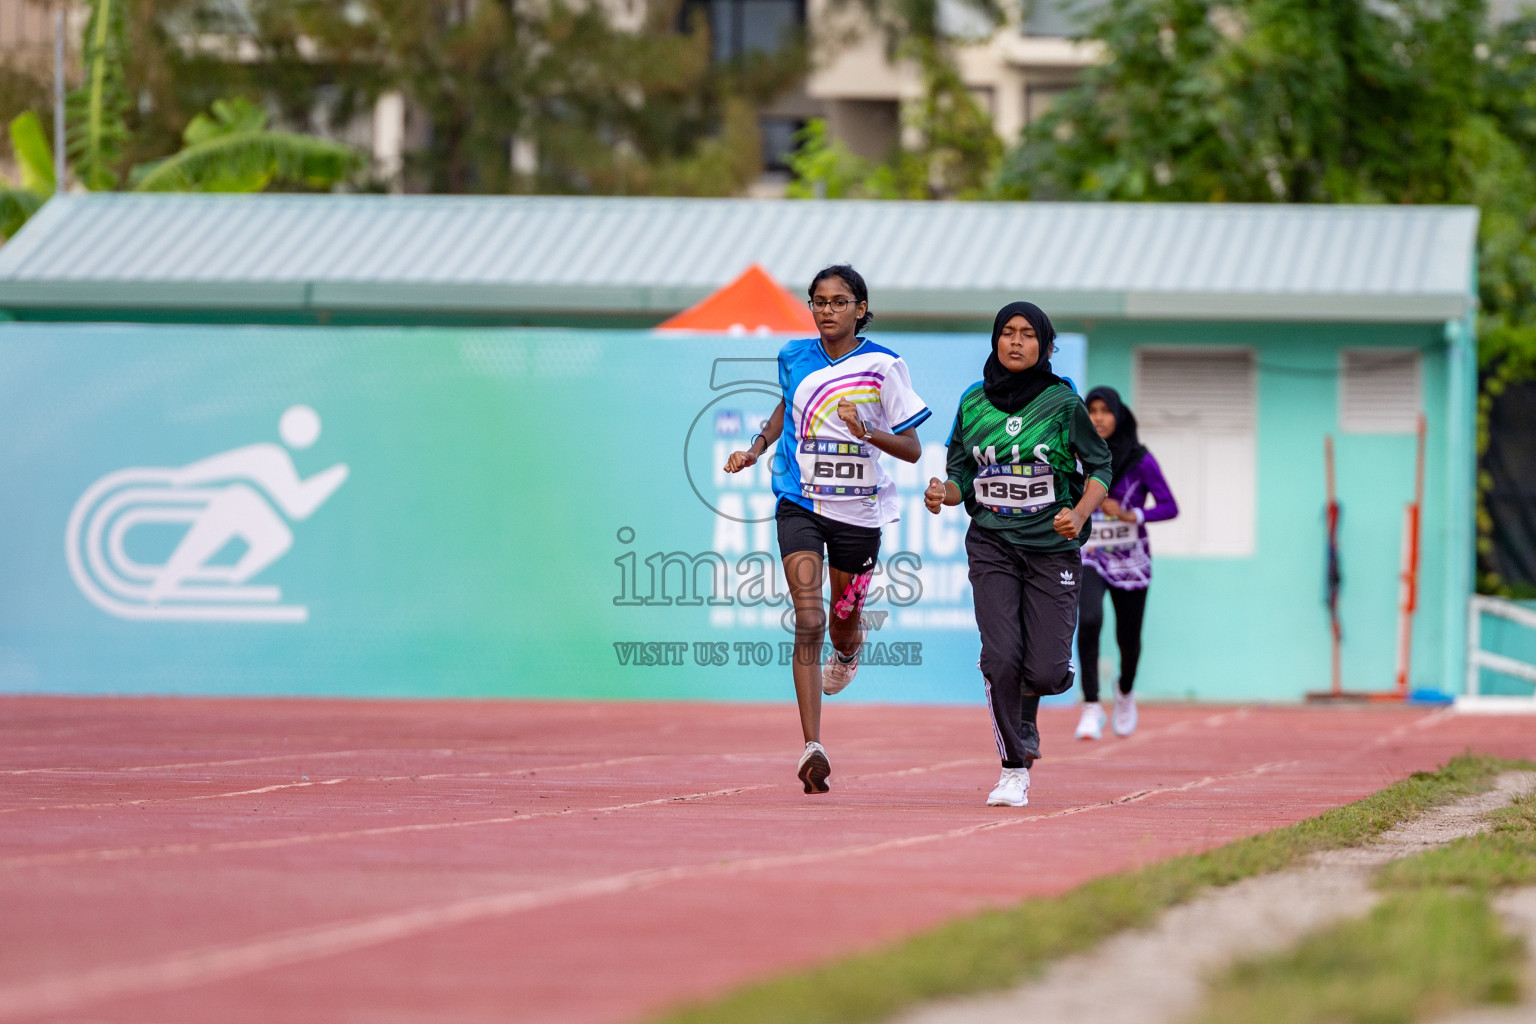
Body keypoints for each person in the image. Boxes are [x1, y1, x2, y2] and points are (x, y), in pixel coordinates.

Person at [724, 265, 929, 794]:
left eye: (839, 302)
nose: (827, 310)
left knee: (843, 620)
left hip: (859, 514)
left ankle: (848, 652)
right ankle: (812, 746)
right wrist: (754, 448)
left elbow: (912, 449)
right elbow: (785, 408)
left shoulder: (884, 366)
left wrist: (869, 431)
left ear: (860, 308)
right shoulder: (794, 356)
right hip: (799, 501)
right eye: (819, 301)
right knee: (808, 616)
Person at [925, 302, 1111, 808]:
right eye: (1007, 332)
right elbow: (962, 473)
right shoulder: (972, 403)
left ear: (1046, 346)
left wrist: (1080, 511)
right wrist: (947, 492)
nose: (1015, 341)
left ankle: (1030, 708)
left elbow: (1100, 466)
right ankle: (1012, 769)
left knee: (1048, 671)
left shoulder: (1062, 403)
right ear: (994, 340)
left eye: (1028, 334)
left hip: (1053, 549)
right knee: (1001, 657)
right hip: (993, 545)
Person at [1074, 386, 1178, 740]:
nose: (1099, 417)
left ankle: (1125, 692)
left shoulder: (1140, 460)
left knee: (1128, 639)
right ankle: (1090, 705)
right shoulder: (1077, 455)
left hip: (1131, 561)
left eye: (1105, 410)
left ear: (1119, 415)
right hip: (1090, 554)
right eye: (1092, 410)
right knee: (1088, 619)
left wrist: (1130, 513)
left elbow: (1169, 506)